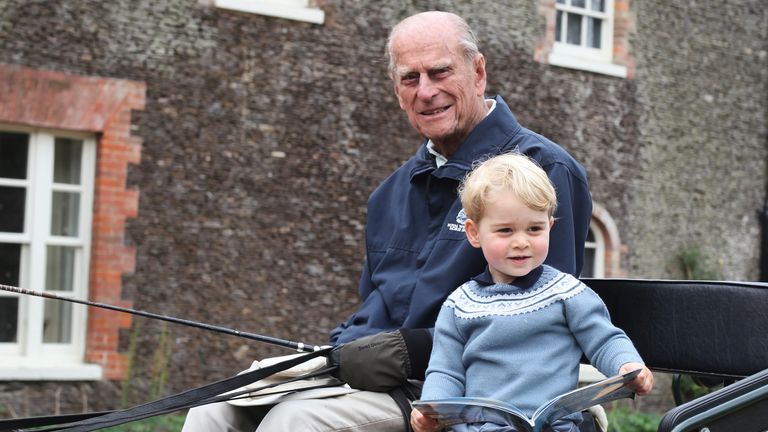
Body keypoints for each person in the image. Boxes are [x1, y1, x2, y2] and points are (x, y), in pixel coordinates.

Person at [182, 10, 592, 432]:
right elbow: (376, 307)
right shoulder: (390, 194)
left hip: (473, 393)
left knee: (295, 422)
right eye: (410, 79)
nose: (426, 91)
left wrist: (411, 350)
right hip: (377, 379)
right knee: (213, 408)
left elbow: (543, 318)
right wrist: (344, 348)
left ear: (478, 71)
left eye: (439, 72)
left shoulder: (543, 169)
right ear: (397, 92)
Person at [410, 154, 654, 432]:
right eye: (505, 231)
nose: (521, 242)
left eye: (534, 229)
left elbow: (605, 340)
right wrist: (432, 409)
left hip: (554, 426)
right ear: (474, 233)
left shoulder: (567, 293)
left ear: (550, 226)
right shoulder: (460, 306)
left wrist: (627, 365)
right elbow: (445, 370)